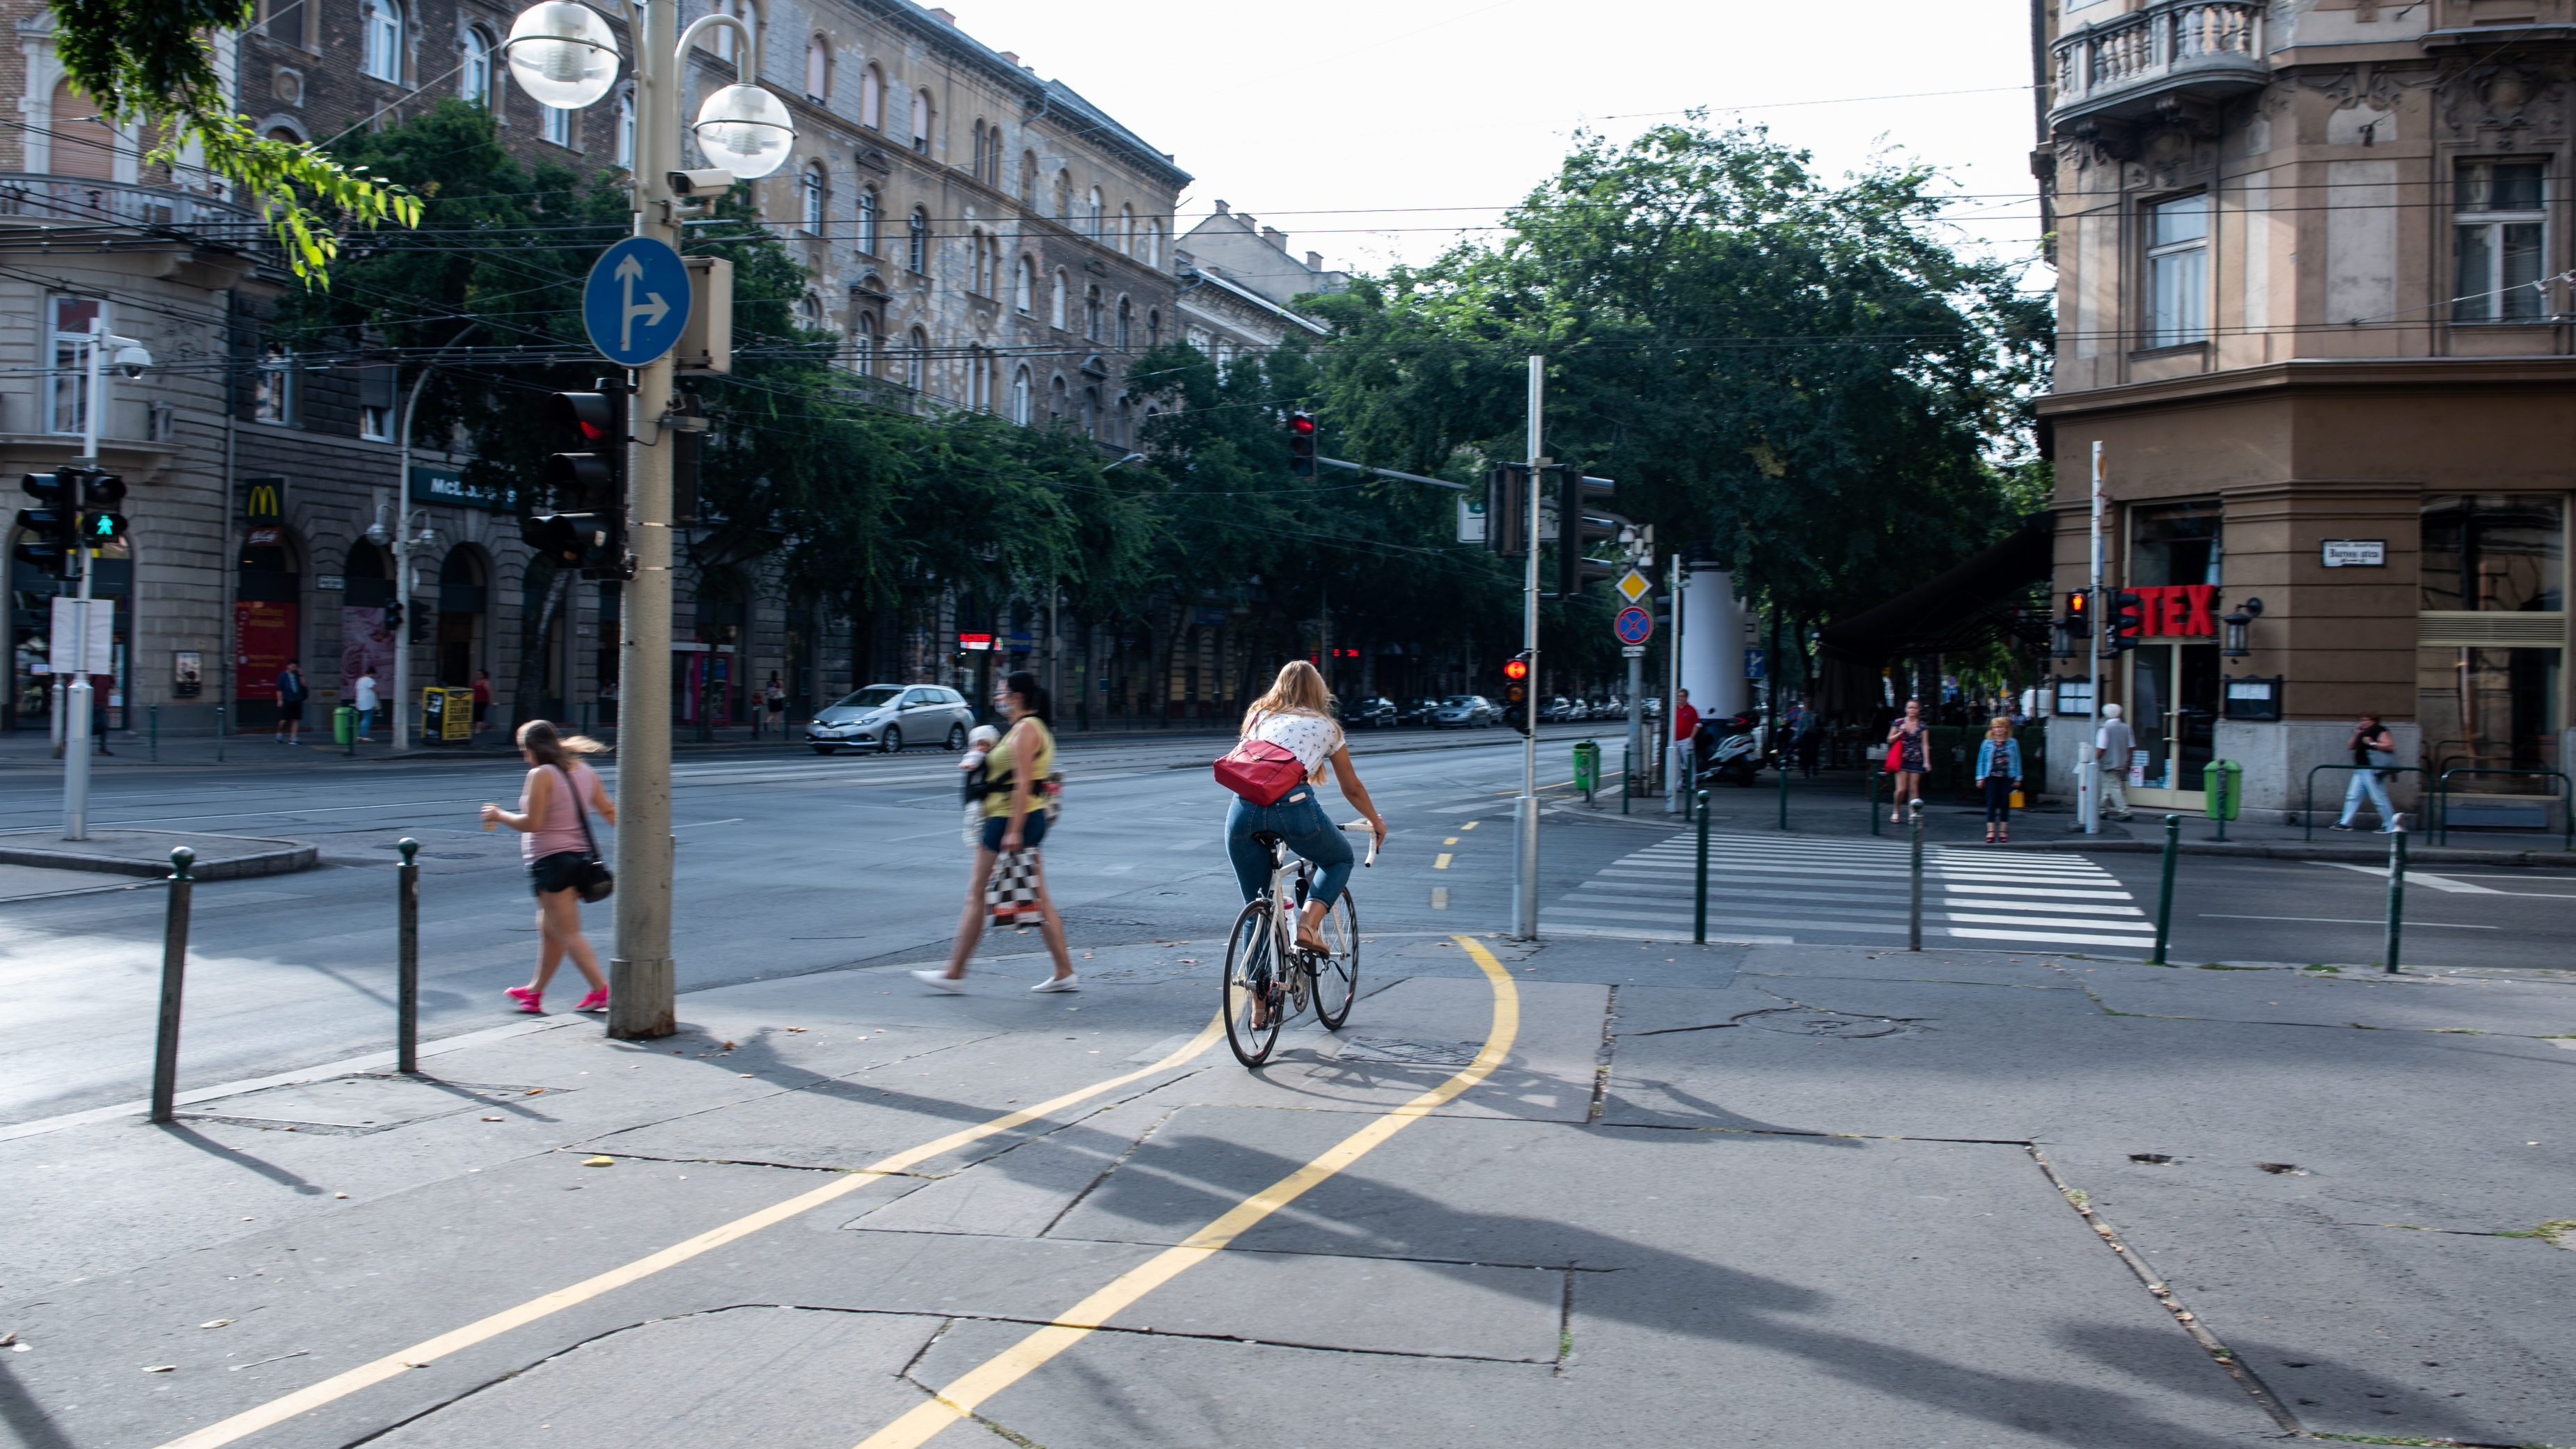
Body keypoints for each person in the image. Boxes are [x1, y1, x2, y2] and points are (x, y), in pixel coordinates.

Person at [916, 671, 1078, 994]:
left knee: (976, 895)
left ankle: (954, 973)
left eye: (1002, 691)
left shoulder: (1027, 729)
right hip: (1015, 818)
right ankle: (1063, 971)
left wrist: (1013, 831)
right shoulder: (1024, 728)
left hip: (1008, 819)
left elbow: (1020, 783)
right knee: (1038, 898)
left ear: (1017, 696)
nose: (998, 696)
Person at [1218, 660, 1388, 961]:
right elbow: (1352, 787)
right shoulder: (1327, 727)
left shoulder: (1258, 715)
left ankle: (1259, 1007)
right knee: (1339, 858)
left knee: (1256, 906)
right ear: (1318, 691)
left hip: (1242, 809)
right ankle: (1308, 926)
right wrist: (1375, 821)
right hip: (1292, 808)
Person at [480, 720, 614, 1015]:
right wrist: (636, 840)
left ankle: (600, 990)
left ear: (532, 748)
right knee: (550, 930)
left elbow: (533, 824)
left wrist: (499, 815)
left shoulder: (541, 774)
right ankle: (534, 993)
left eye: (523, 750)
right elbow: (607, 809)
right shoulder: (583, 770)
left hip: (552, 864)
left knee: (567, 932)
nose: (524, 757)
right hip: (577, 861)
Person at [2332, 712, 2401, 833]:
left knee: (2379, 797)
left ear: (2374, 721)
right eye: (2361, 720)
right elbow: (2350, 747)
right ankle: (2346, 823)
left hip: (2372, 769)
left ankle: (2390, 825)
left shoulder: (2379, 730)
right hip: (2360, 769)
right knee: (2353, 796)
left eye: (2366, 720)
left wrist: (2372, 743)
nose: (2363, 722)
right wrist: (2357, 734)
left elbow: (2389, 746)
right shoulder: (2362, 732)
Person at [1977, 715, 2024, 844]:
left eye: (2000, 727)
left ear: (2006, 729)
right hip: (1991, 776)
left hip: (2007, 776)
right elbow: (1981, 760)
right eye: (1995, 727)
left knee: (2004, 803)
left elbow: (2017, 760)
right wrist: (1980, 777)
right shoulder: (1987, 743)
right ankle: (1991, 831)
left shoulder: (2013, 743)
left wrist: (2018, 777)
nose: (1997, 730)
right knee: (1991, 803)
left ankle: (2003, 831)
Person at [1886, 698, 1929, 823]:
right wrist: (1901, 732)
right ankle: (1896, 810)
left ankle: (1913, 814)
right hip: (1902, 759)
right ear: (1906, 709)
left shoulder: (1922, 726)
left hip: (1916, 759)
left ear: (1918, 710)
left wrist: (1927, 761)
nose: (1912, 710)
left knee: (1914, 788)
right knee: (1901, 789)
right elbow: (1889, 739)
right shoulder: (1899, 723)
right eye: (1910, 708)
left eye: (1915, 708)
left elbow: (1925, 744)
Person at [2096, 703, 2135, 822]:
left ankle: (2124, 812)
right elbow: (2131, 747)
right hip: (2122, 762)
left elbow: (2101, 748)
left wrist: (2094, 760)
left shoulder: (2104, 729)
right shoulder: (2126, 728)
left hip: (2109, 762)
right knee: (2108, 785)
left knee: (2114, 786)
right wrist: (2129, 762)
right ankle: (2102, 809)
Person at [274, 659, 306, 745]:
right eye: (292, 666)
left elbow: (304, 685)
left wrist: (301, 674)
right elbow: (279, 689)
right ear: (288, 666)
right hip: (288, 699)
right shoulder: (283, 675)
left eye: (296, 666)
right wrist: (280, 700)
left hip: (297, 699)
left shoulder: (297, 675)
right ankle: (279, 734)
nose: (294, 668)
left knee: (296, 719)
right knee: (284, 719)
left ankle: (293, 738)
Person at [352, 669, 379, 743]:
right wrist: (378, 690)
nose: (374, 676)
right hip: (368, 702)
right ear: (371, 673)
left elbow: (356, 691)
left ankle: (359, 735)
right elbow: (376, 689)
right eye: (373, 674)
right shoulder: (369, 680)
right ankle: (363, 736)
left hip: (360, 701)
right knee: (367, 719)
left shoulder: (359, 680)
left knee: (364, 719)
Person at [764, 672, 787, 740]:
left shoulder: (769, 683)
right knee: (777, 714)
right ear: (777, 676)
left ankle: (767, 722)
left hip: (770, 700)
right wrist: (781, 688)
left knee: (773, 713)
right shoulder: (778, 683)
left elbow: (768, 692)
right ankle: (776, 728)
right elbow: (781, 690)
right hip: (777, 699)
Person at [471, 669, 494, 735]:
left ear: (483, 675)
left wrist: (491, 701)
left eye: (480, 674)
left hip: (483, 701)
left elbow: (489, 692)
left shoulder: (485, 682)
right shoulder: (475, 681)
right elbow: (472, 690)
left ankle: (478, 730)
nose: (478, 675)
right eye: (477, 674)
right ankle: (486, 726)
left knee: (480, 714)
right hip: (476, 701)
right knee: (476, 714)